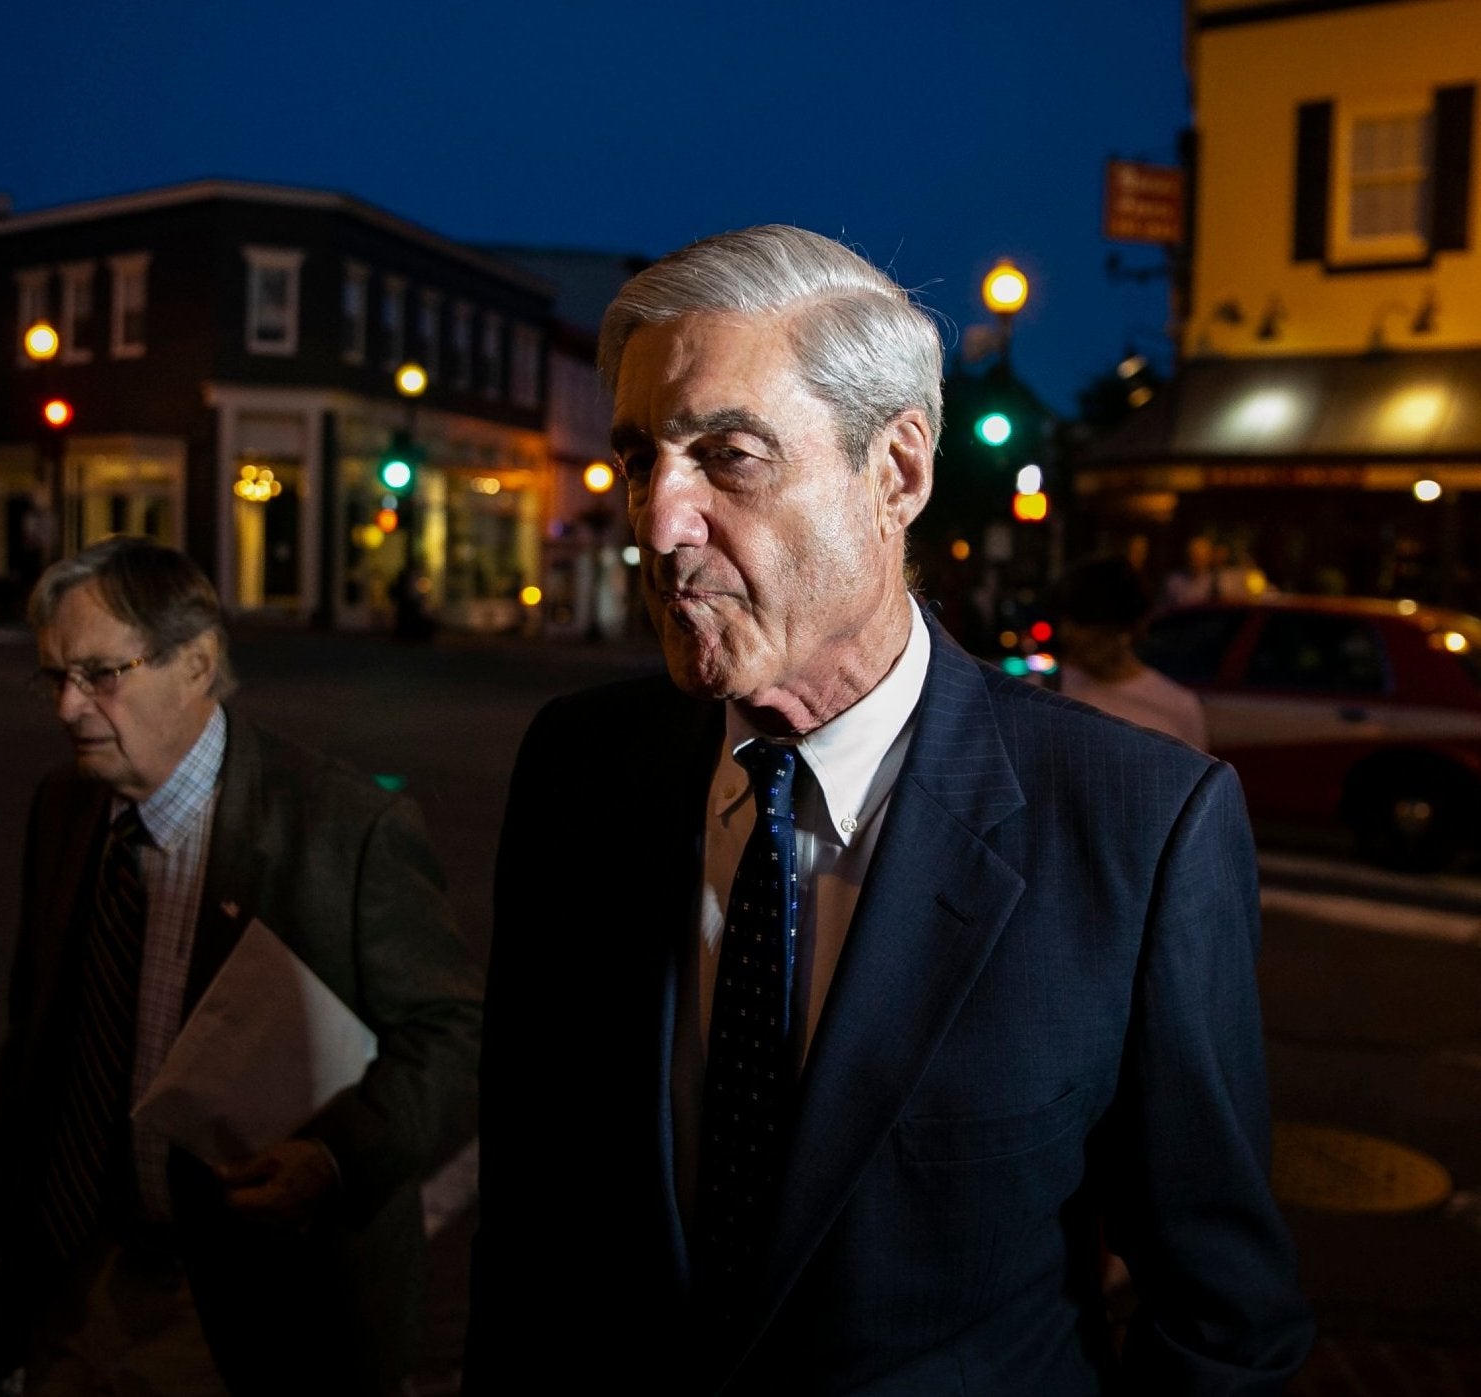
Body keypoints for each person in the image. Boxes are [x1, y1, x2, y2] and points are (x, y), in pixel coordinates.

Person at [467, 226, 1311, 1394]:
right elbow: (529, 1222)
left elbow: (1223, 1316)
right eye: (637, 458)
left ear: (898, 472)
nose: (657, 523)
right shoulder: (580, 766)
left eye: (730, 455)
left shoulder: (1139, 825)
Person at [0, 537, 482, 1396]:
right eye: (54, 676)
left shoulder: (342, 827)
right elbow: (32, 1044)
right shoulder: (64, 807)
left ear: (197, 661)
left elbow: (452, 1032)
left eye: (100, 673)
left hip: (255, 1305)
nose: (67, 706)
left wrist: (332, 1157)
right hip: (78, 1276)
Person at [1053, 555, 1209, 750]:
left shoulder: (1177, 708)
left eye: (1084, 621)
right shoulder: (1043, 692)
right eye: (1065, 620)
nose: (1069, 634)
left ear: (1127, 628)